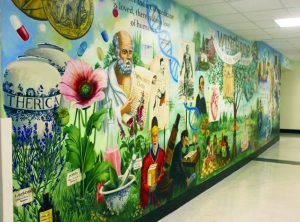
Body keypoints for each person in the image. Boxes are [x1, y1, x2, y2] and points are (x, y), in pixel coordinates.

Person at [103, 30, 136, 125]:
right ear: (115, 52)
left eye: (130, 52)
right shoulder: (105, 79)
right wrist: (121, 111)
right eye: (124, 52)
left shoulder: (136, 76)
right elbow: (101, 120)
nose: (129, 56)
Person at [140, 117, 166, 208]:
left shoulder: (162, 153)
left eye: (156, 136)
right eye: (152, 136)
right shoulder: (146, 159)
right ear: (151, 137)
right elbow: (143, 182)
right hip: (148, 193)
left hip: (158, 187)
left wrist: (156, 182)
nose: (154, 139)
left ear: (158, 136)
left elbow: (163, 172)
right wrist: (149, 187)